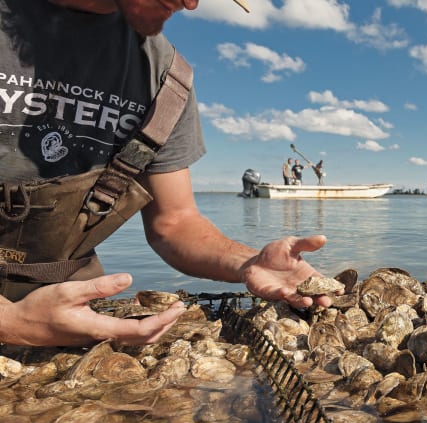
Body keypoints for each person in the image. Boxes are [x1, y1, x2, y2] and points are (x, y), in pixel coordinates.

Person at [0, 0, 333, 347]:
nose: (190, 3)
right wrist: (11, 322)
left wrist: (249, 263)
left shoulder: (165, 78)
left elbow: (174, 224)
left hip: (72, 306)